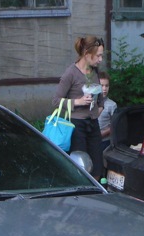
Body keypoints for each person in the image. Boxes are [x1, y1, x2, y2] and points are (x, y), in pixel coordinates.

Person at [52, 36, 105, 179]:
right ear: (87, 54)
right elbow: (56, 101)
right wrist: (78, 102)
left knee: (97, 166)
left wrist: (99, 109)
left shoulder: (95, 71)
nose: (100, 60)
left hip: (93, 124)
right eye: (98, 56)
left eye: (101, 56)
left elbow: (100, 100)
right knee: (81, 166)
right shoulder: (71, 73)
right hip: (76, 126)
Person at [97, 71, 117, 151]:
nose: (104, 89)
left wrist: (102, 134)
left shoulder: (112, 105)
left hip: (105, 141)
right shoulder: (89, 102)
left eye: (107, 86)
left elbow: (115, 125)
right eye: (101, 86)